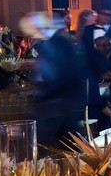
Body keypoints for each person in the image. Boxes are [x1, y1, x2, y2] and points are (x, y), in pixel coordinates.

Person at [20, 12, 87, 150]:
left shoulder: (55, 43)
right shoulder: (57, 41)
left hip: (58, 100)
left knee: (50, 144)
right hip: (63, 99)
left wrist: (43, 95)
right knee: (66, 142)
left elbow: (59, 72)